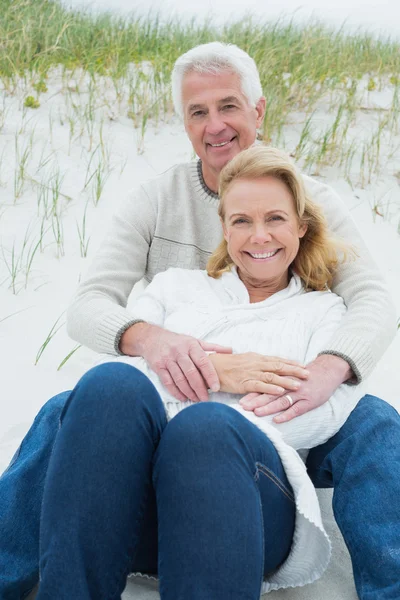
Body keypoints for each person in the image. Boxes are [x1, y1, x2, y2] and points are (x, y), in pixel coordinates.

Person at [0, 42, 398, 600]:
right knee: (80, 402)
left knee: (374, 421)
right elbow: (90, 304)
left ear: (258, 111)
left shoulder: (313, 212)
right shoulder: (162, 229)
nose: (216, 125)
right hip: (165, 403)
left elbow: (374, 299)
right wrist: (161, 344)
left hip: (268, 430)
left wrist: (332, 368)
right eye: (198, 112)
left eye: (229, 106)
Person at [37, 145, 369, 598]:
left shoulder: (326, 312)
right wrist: (218, 372)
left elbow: (319, 415)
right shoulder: (174, 287)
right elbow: (126, 388)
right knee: (107, 384)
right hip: (137, 507)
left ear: (300, 227)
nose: (259, 236)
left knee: (205, 428)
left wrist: (196, 413)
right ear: (224, 229)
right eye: (242, 221)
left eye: (275, 219)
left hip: (248, 506)